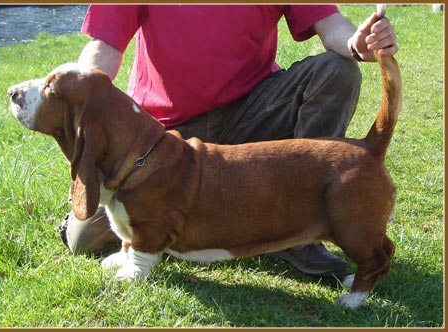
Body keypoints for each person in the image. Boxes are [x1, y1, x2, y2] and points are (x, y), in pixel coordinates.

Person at [57, 4, 398, 277]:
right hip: (163, 138)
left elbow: (330, 23)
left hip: (255, 113)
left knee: (338, 70)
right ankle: (161, 232)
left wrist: (358, 43)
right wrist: (82, 94)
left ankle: (299, 226)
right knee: (84, 238)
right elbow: (105, 46)